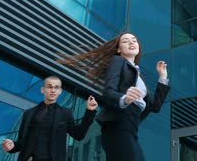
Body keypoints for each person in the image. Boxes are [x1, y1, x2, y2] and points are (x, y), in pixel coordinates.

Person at [58, 32, 169, 161]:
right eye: (125, 41)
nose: (131, 42)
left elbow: (155, 106)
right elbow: (109, 93)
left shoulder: (139, 76)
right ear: (118, 49)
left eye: (134, 40)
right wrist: (125, 99)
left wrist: (162, 77)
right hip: (118, 124)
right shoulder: (118, 61)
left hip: (131, 126)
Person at [1, 75, 98, 161]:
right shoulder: (29, 113)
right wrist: (12, 146)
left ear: (60, 91)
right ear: (43, 89)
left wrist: (89, 111)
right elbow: (22, 142)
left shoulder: (65, 113)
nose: (53, 90)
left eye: (56, 87)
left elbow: (79, 135)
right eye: (49, 87)